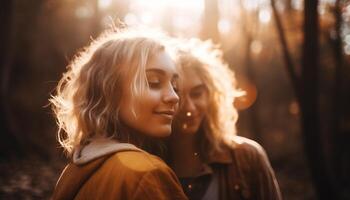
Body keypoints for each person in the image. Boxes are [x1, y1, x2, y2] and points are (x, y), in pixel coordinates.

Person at [50, 28, 188, 200]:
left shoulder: (75, 169)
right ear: (109, 90)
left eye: (175, 86)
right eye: (154, 82)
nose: (174, 97)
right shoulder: (146, 174)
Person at [167, 38, 282, 200]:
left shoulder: (247, 157)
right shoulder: (145, 162)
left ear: (212, 95)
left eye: (197, 93)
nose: (189, 108)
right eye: (177, 95)